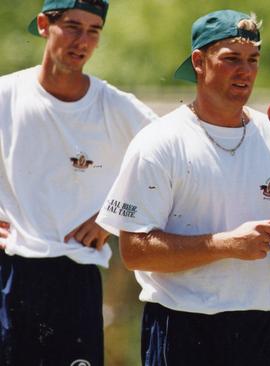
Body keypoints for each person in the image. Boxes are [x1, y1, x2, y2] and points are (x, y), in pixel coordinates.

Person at [95, 9, 270, 366]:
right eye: (231, 59)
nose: (245, 71)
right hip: (183, 327)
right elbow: (135, 251)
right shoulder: (160, 142)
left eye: (253, 59)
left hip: (263, 327)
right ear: (199, 61)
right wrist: (224, 245)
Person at [0, 0, 157, 365]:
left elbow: (174, 165)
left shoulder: (117, 107)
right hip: (9, 270)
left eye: (93, 31)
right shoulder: (6, 95)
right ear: (43, 24)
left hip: (77, 276)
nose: (82, 40)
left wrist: (113, 216)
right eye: (72, 26)